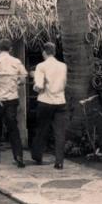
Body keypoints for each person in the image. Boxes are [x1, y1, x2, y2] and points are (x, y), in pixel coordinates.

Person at [0, 38, 27, 168]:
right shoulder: (16, 62)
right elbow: (23, 78)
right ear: (11, 49)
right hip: (12, 99)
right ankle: (18, 156)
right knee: (13, 128)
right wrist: (16, 84)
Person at [31, 42, 68, 170]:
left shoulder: (41, 66)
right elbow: (64, 82)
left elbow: (39, 86)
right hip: (60, 101)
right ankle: (59, 162)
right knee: (60, 132)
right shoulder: (63, 66)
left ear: (44, 52)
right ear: (54, 52)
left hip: (45, 101)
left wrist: (34, 83)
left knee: (42, 129)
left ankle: (37, 156)